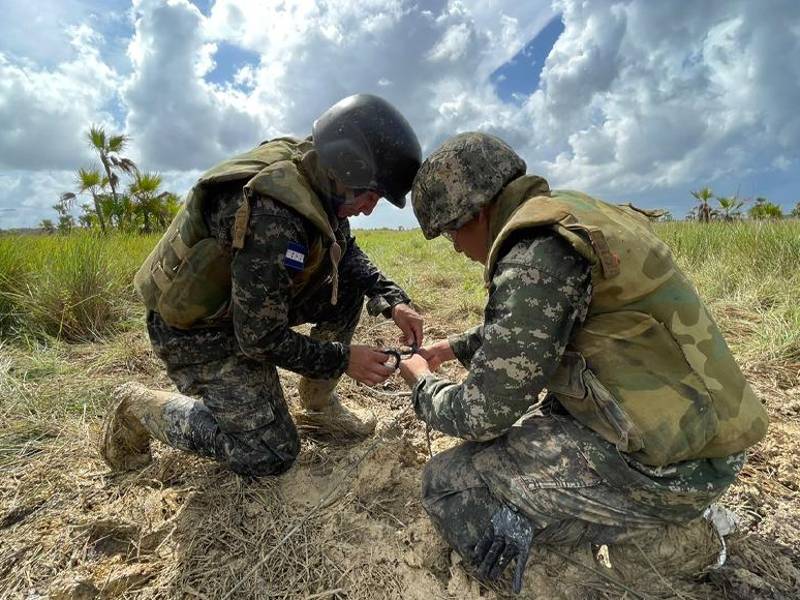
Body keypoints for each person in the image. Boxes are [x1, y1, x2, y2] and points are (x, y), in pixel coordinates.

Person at [399, 132, 768, 593]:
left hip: (672, 470)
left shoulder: (535, 252)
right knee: (535, 431)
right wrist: (455, 348)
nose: (455, 246)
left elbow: (482, 414)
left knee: (449, 482)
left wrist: (422, 383)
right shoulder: (569, 214)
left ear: (475, 212)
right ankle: (662, 524)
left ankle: (655, 539)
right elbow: (548, 323)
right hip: (698, 436)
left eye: (451, 231)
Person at [101, 94, 424, 478]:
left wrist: (392, 300)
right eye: (371, 196)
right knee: (269, 452)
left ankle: (318, 406)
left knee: (350, 285)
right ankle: (137, 407)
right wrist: (344, 359)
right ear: (349, 167)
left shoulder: (321, 175)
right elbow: (259, 338)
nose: (369, 209)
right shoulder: (272, 216)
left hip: (251, 305)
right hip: (199, 329)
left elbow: (344, 251)